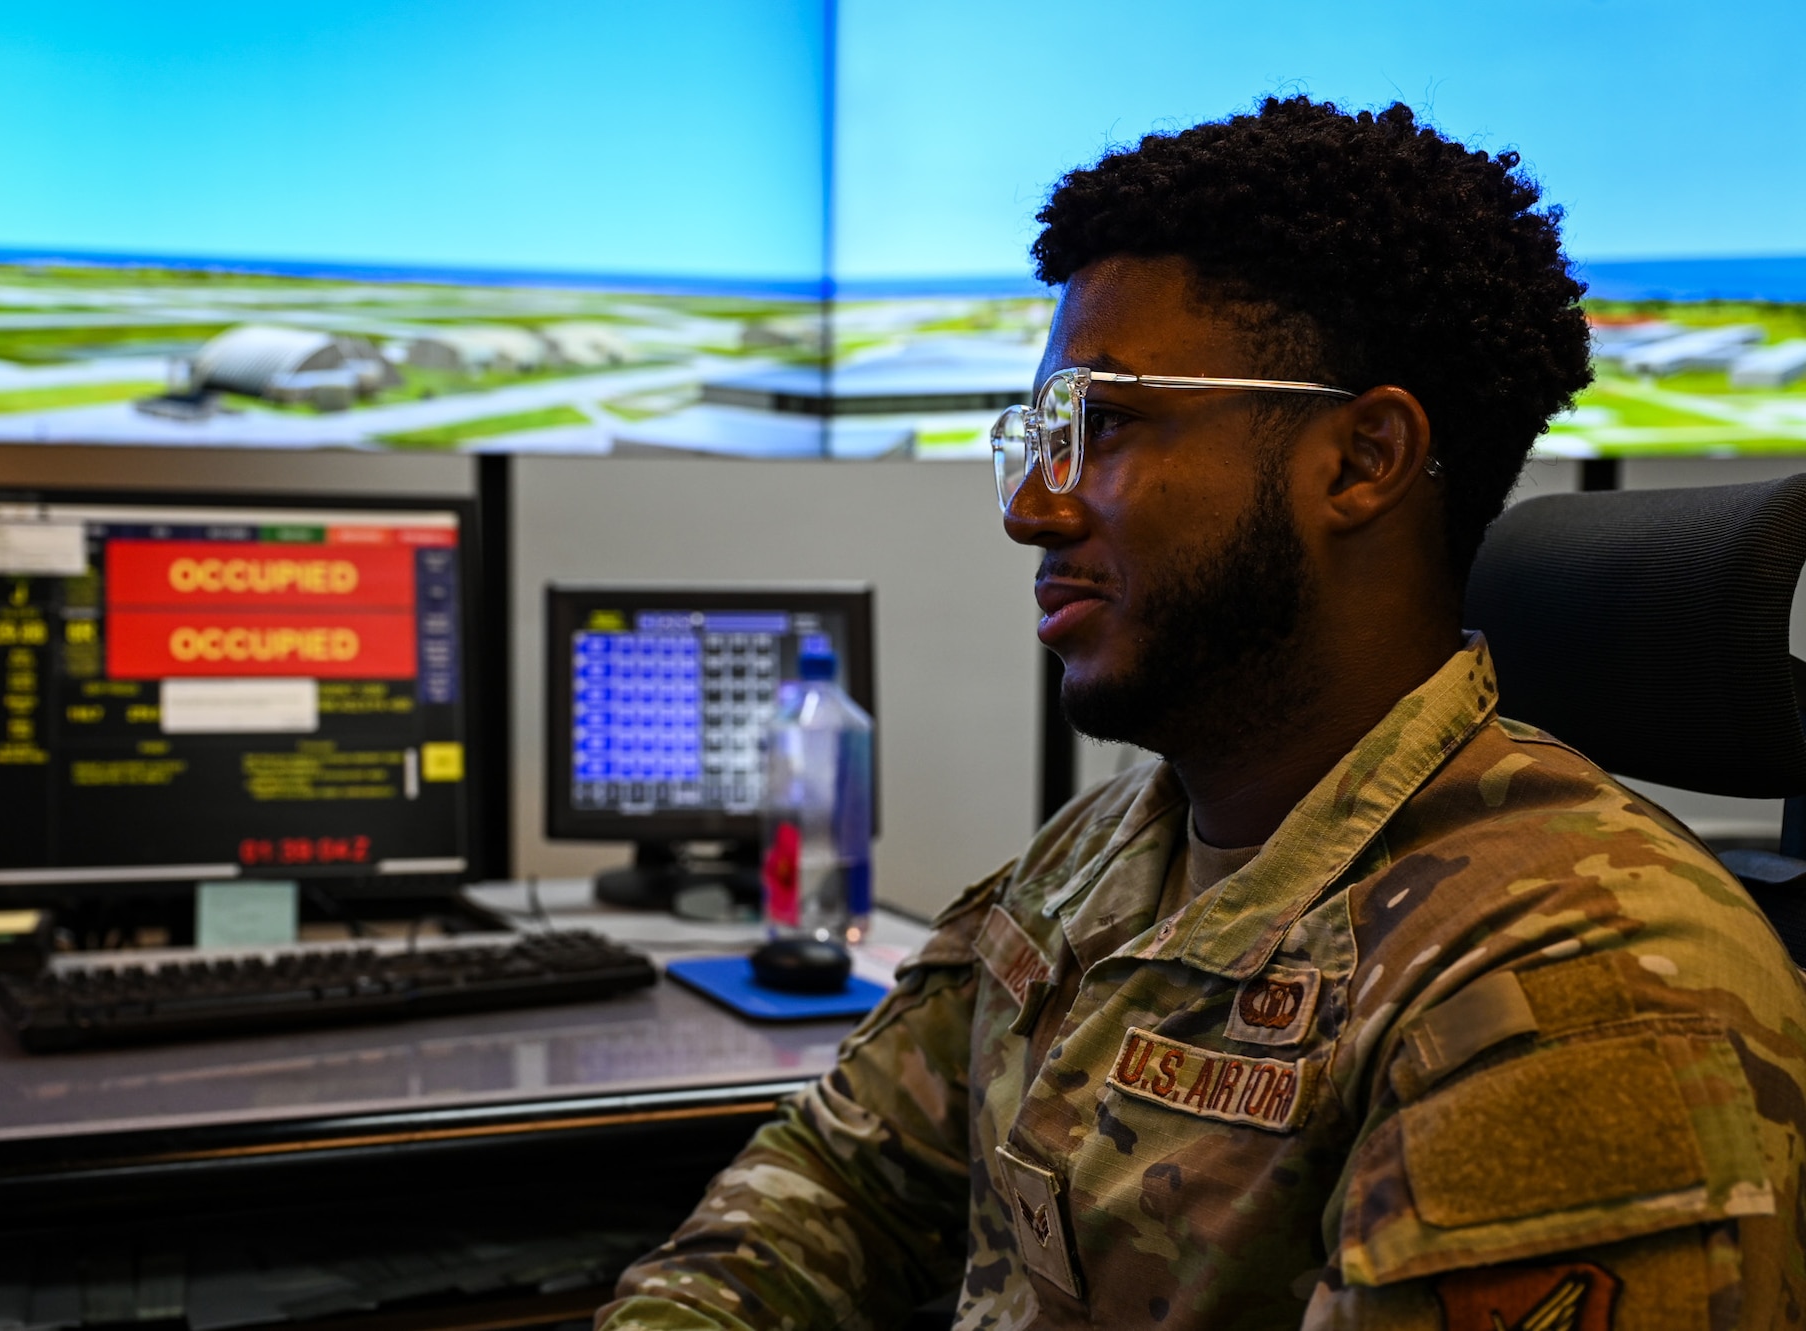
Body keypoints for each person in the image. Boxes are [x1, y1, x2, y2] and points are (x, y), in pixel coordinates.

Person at [595, 97, 1806, 1330]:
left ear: (1359, 459)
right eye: (1038, 438)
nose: (1032, 509)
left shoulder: (1576, 987)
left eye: (1104, 427)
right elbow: (836, 1188)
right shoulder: (1103, 856)